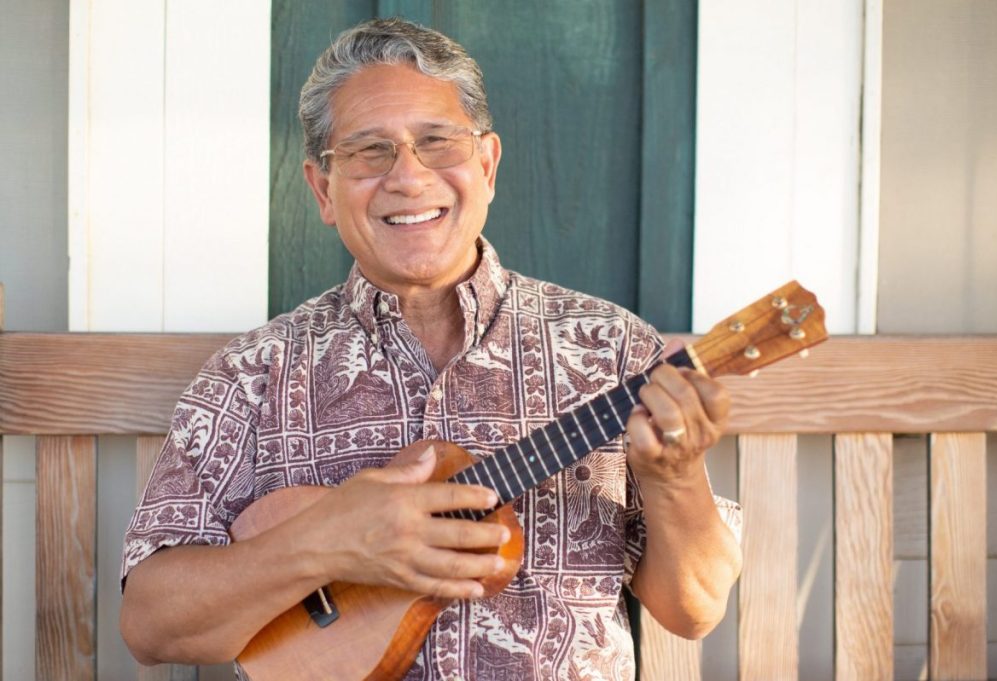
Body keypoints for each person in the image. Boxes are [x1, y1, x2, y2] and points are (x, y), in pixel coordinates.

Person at [120, 17, 741, 680]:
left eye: (437, 142)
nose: (409, 177)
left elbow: (694, 608)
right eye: (369, 151)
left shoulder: (612, 349)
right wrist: (326, 541)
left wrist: (674, 479)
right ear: (323, 190)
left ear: (487, 164)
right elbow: (151, 624)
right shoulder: (255, 373)